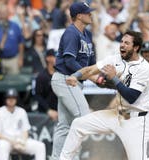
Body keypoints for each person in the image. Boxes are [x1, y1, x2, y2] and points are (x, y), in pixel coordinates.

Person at [61, 30, 149, 160]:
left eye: (127, 43)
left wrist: (114, 78)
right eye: (122, 42)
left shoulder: (144, 69)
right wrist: (75, 76)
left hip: (135, 120)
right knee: (78, 125)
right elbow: (90, 69)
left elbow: (131, 97)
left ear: (136, 48)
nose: (122, 45)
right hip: (117, 114)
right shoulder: (116, 58)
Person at [50, 2, 96, 160]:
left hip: (73, 82)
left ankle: (58, 158)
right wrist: (90, 75)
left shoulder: (87, 35)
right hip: (65, 79)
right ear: (79, 16)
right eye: (88, 12)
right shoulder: (71, 32)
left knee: (65, 126)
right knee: (83, 119)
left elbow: (91, 63)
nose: (91, 14)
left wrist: (100, 75)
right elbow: (69, 61)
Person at [0, 88, 46, 160]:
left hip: (20, 141)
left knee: (40, 146)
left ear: (16, 99)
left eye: (13, 98)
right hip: (5, 141)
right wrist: (12, 142)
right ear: (5, 99)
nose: (11, 100)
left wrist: (22, 142)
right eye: (9, 98)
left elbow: (25, 131)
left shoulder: (21, 111)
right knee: (2, 146)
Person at [35, 49, 58, 121]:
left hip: (60, 111)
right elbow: (37, 95)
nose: (57, 59)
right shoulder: (41, 76)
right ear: (48, 58)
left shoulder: (61, 75)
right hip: (45, 112)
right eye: (54, 56)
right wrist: (48, 110)